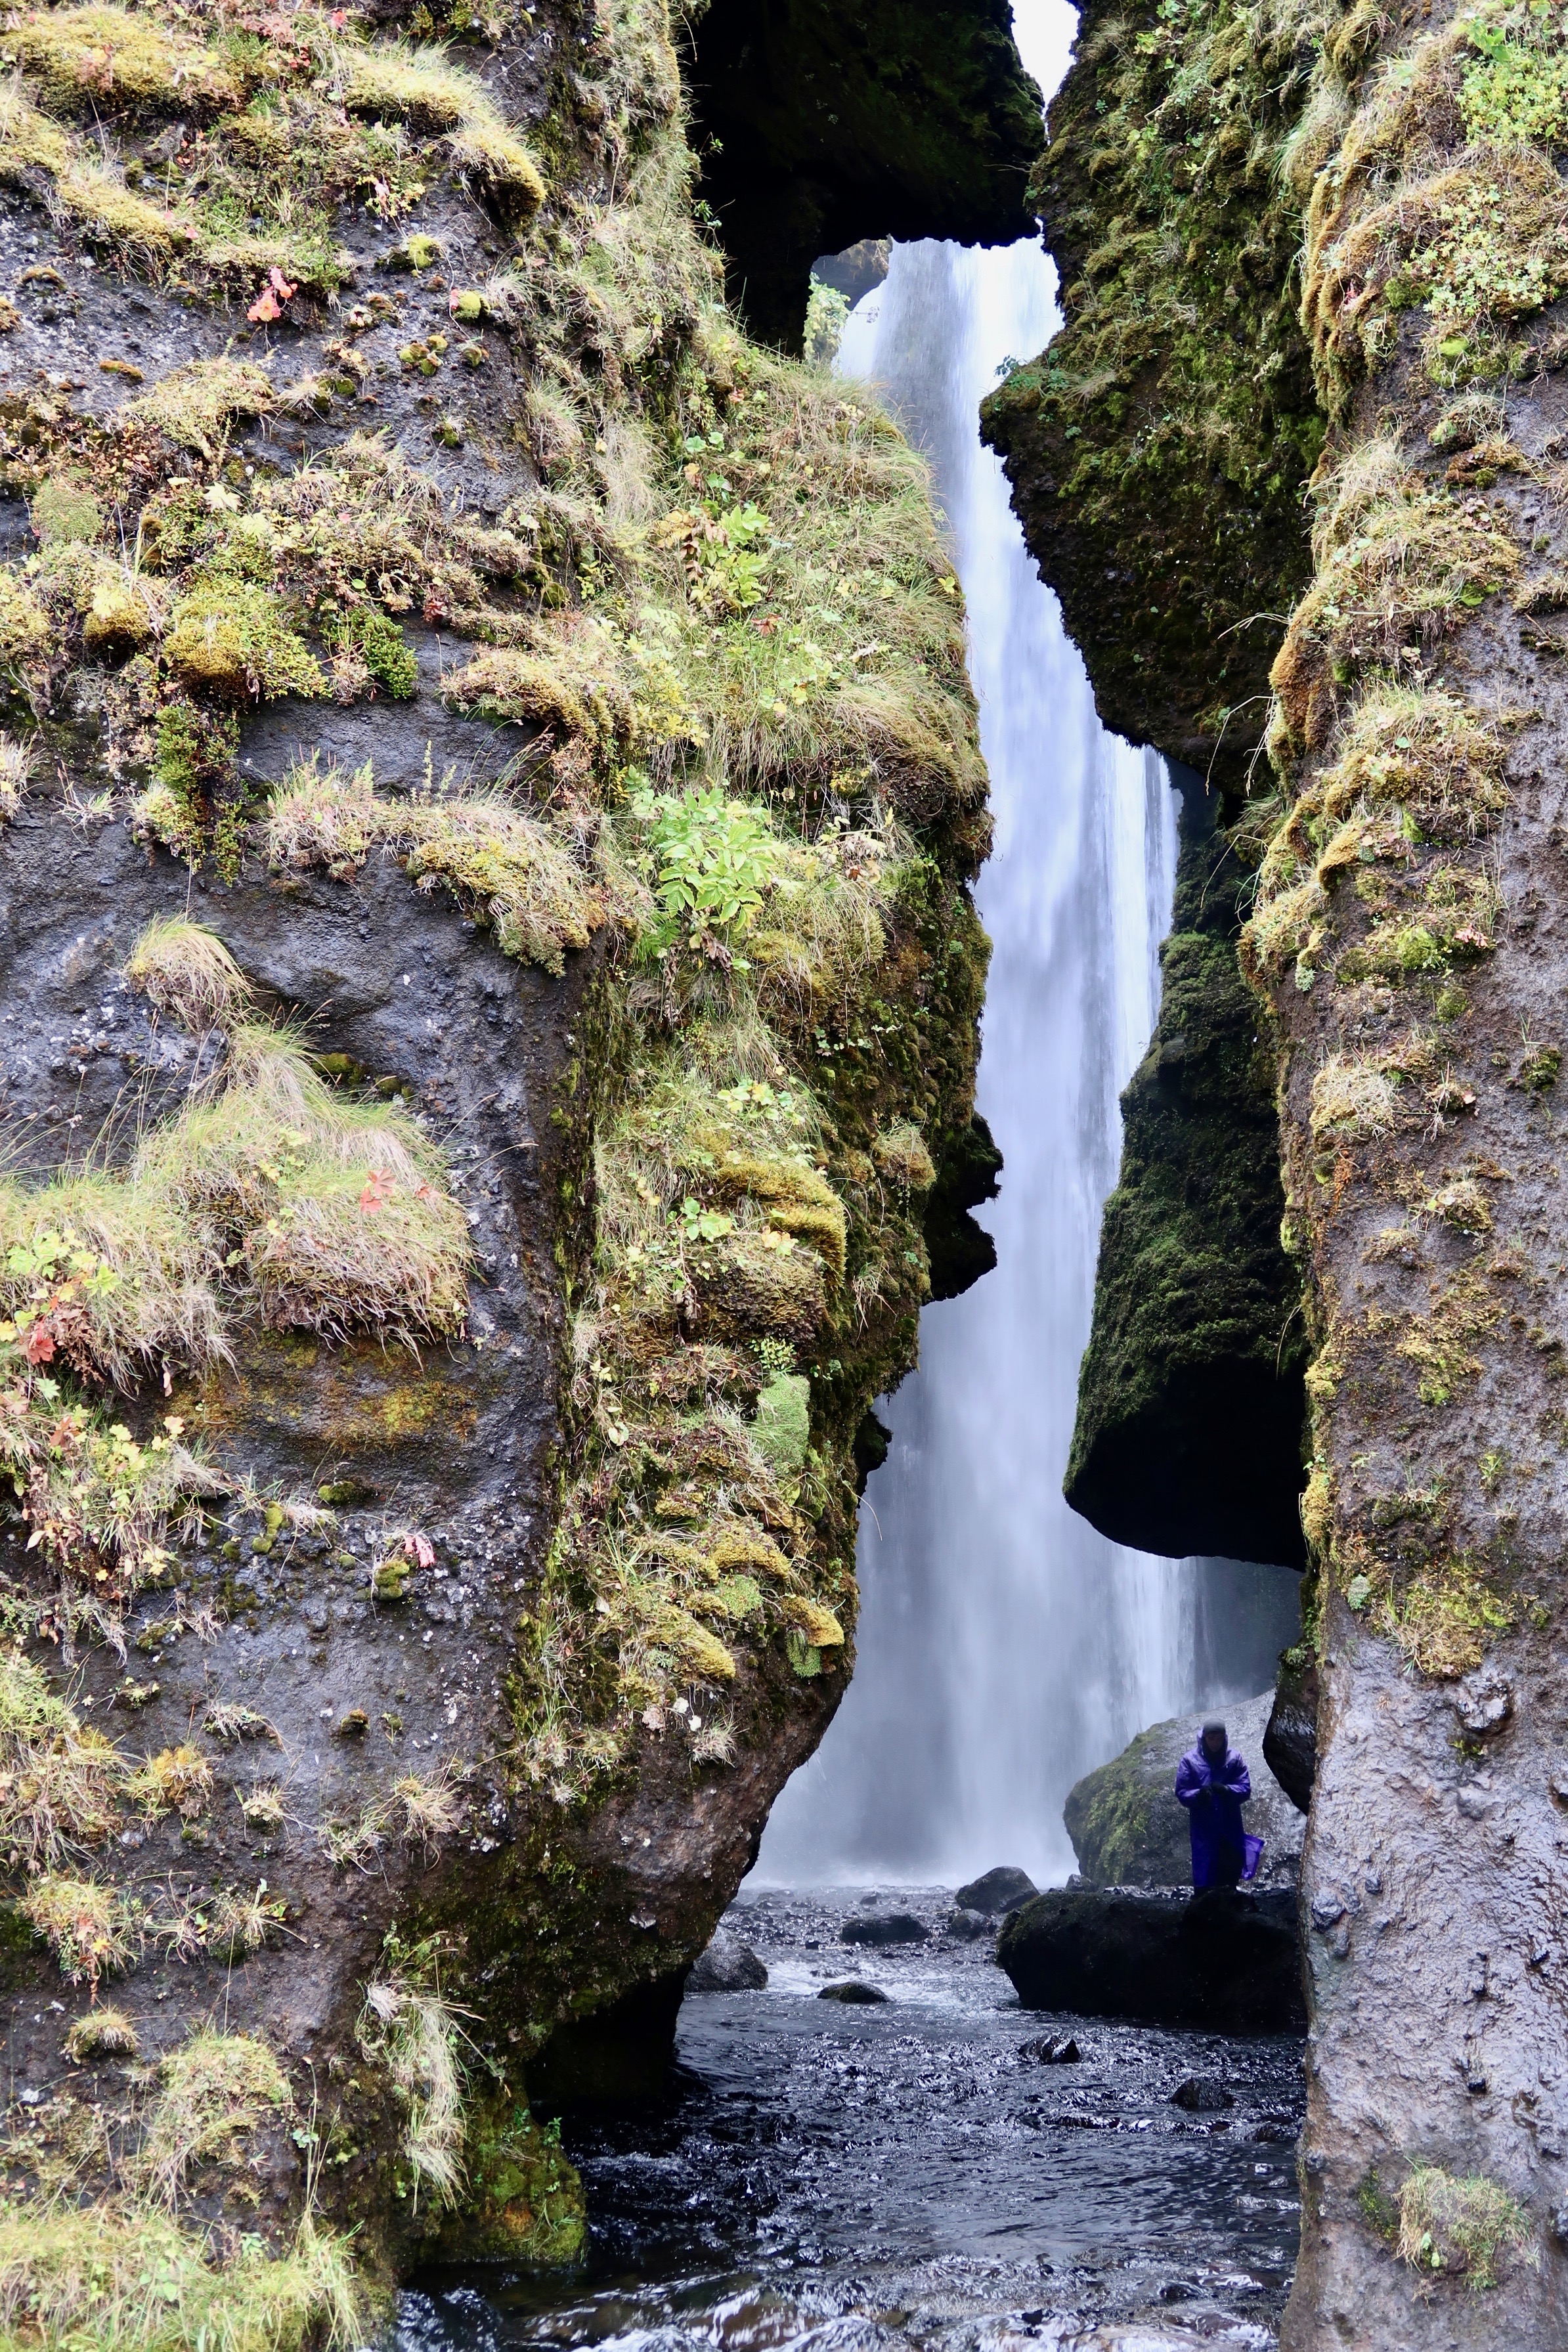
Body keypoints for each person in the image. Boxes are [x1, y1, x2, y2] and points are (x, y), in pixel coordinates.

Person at [1175, 1718, 1263, 1889]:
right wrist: (1199, 1795)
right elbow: (1182, 1791)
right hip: (1204, 1829)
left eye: (1219, 1738)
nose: (1215, 1743)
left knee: (1230, 1876)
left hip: (1230, 1827)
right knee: (1205, 1877)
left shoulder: (1234, 1759)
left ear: (1225, 1738)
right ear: (1204, 1738)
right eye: (1211, 1738)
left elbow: (1245, 1788)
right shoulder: (1190, 1761)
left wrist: (1228, 1790)